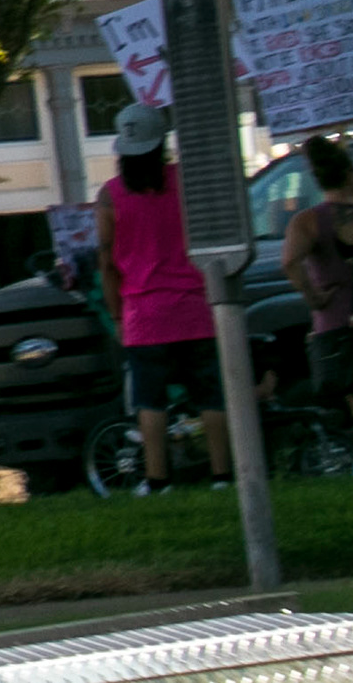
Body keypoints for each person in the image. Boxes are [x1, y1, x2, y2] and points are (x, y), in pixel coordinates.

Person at [96, 100, 230, 489]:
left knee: (150, 401)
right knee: (211, 395)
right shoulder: (188, 182)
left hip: (143, 314)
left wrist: (117, 315)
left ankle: (157, 478)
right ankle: (222, 473)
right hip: (196, 305)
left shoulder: (109, 196)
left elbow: (106, 262)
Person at [282, 134, 353, 440]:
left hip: (337, 321)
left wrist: (314, 299)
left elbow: (290, 262)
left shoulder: (308, 222)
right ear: (348, 171)